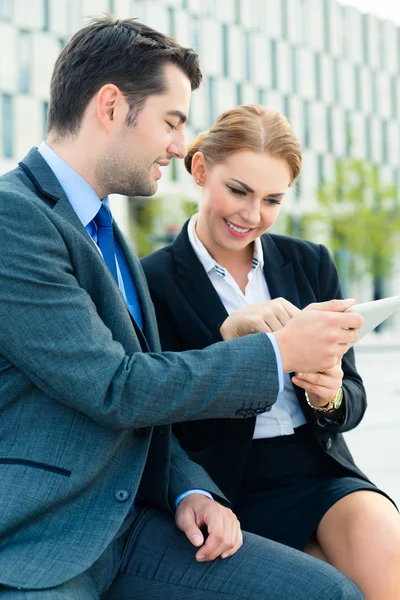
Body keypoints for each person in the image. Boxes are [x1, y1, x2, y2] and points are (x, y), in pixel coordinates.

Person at [0, 16, 365, 600]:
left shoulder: (106, 231)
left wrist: (189, 490)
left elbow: (145, 412)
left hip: (136, 519)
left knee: (331, 593)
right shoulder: (13, 217)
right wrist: (274, 353)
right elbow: (115, 387)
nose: (178, 143)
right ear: (113, 106)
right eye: (172, 122)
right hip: (42, 537)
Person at [141, 104, 400, 600]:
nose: (251, 215)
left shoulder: (309, 263)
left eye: (272, 200)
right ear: (199, 171)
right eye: (238, 190)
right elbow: (155, 409)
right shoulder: (149, 281)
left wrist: (328, 396)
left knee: (383, 546)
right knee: (326, 583)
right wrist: (229, 345)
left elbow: (353, 396)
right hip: (223, 483)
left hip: (316, 470)